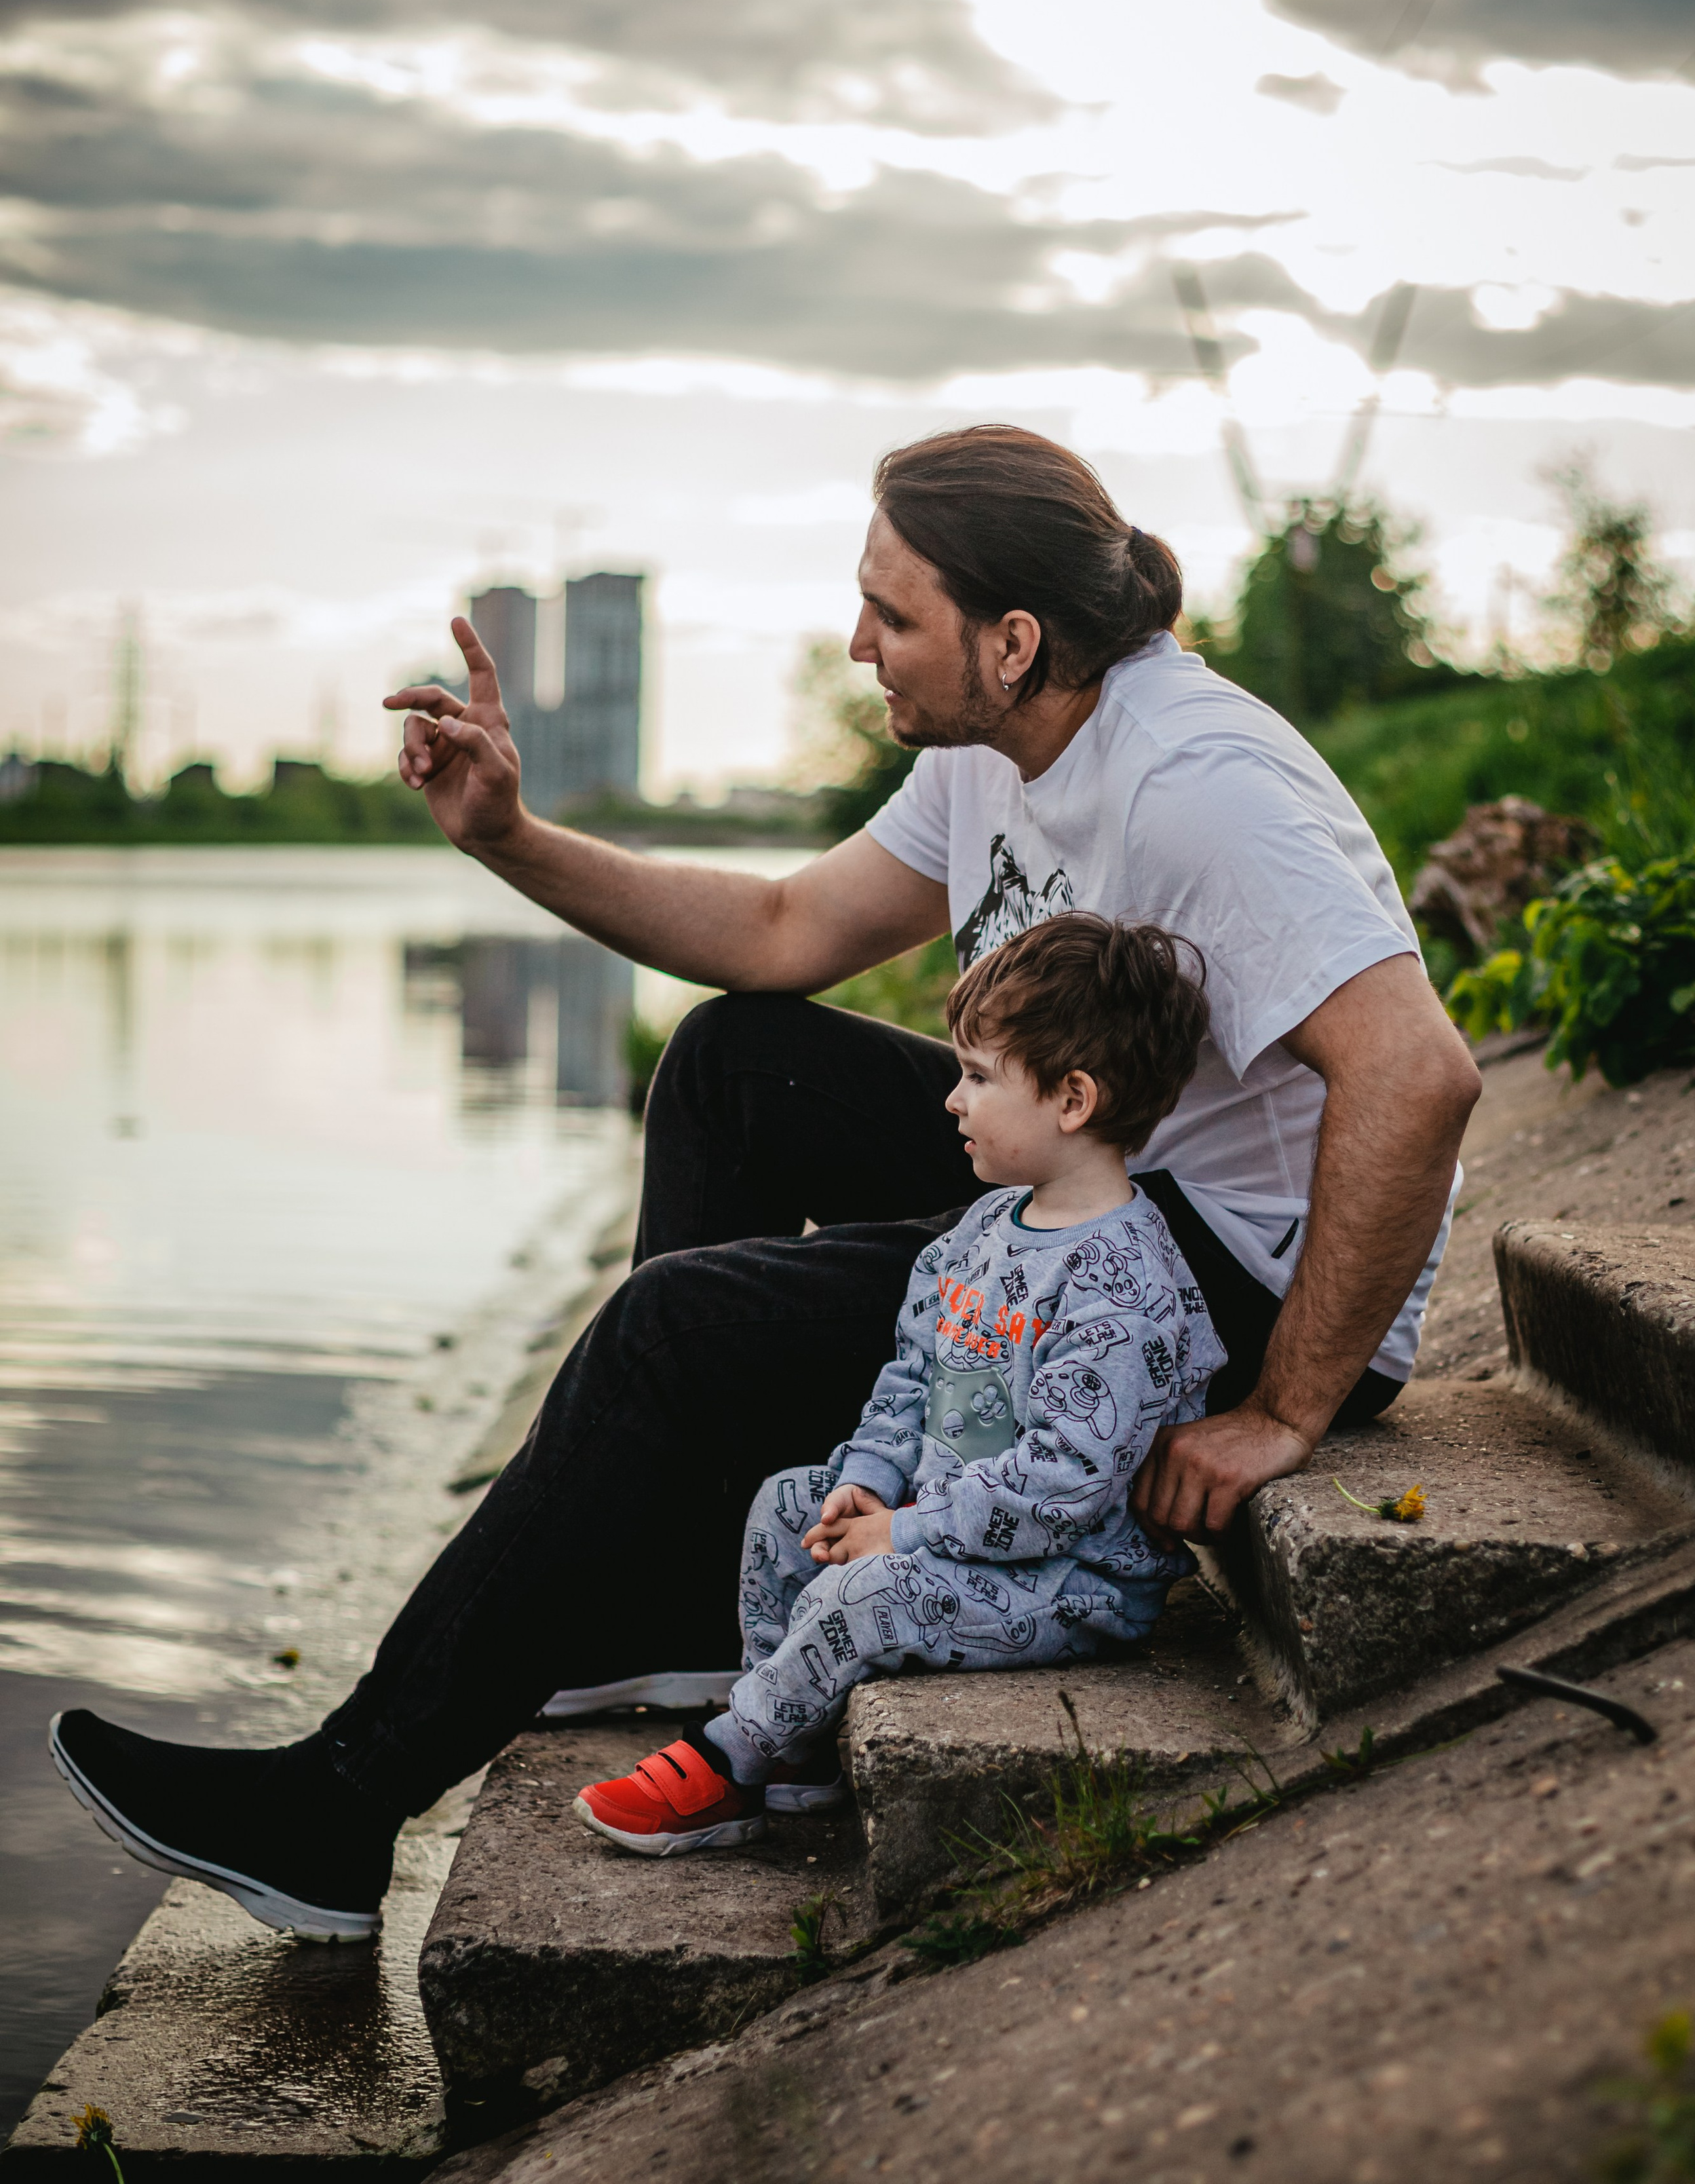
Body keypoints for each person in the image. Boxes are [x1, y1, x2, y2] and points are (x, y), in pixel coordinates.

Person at [46, 423, 1479, 1942]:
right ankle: (669, 1600)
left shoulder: (1195, 782)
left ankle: (334, 1811)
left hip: (1212, 1287)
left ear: (1012, 639)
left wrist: (1282, 1409)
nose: (855, 642)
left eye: (892, 615)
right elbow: (784, 927)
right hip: (1092, 1182)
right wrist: (509, 840)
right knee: (739, 1061)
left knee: (676, 1328)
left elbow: (1416, 1074)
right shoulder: (996, 747)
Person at [575, 911, 1223, 1857]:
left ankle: (732, 1759)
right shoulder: (984, 1230)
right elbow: (911, 1374)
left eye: (979, 1077)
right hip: (947, 1522)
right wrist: (872, 1478)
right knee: (784, 1509)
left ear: (1073, 1099)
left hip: (1067, 1580)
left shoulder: (1121, 1285)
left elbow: (1063, 1491)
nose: (952, 1101)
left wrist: (905, 1531)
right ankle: (796, 1747)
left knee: (865, 1592)